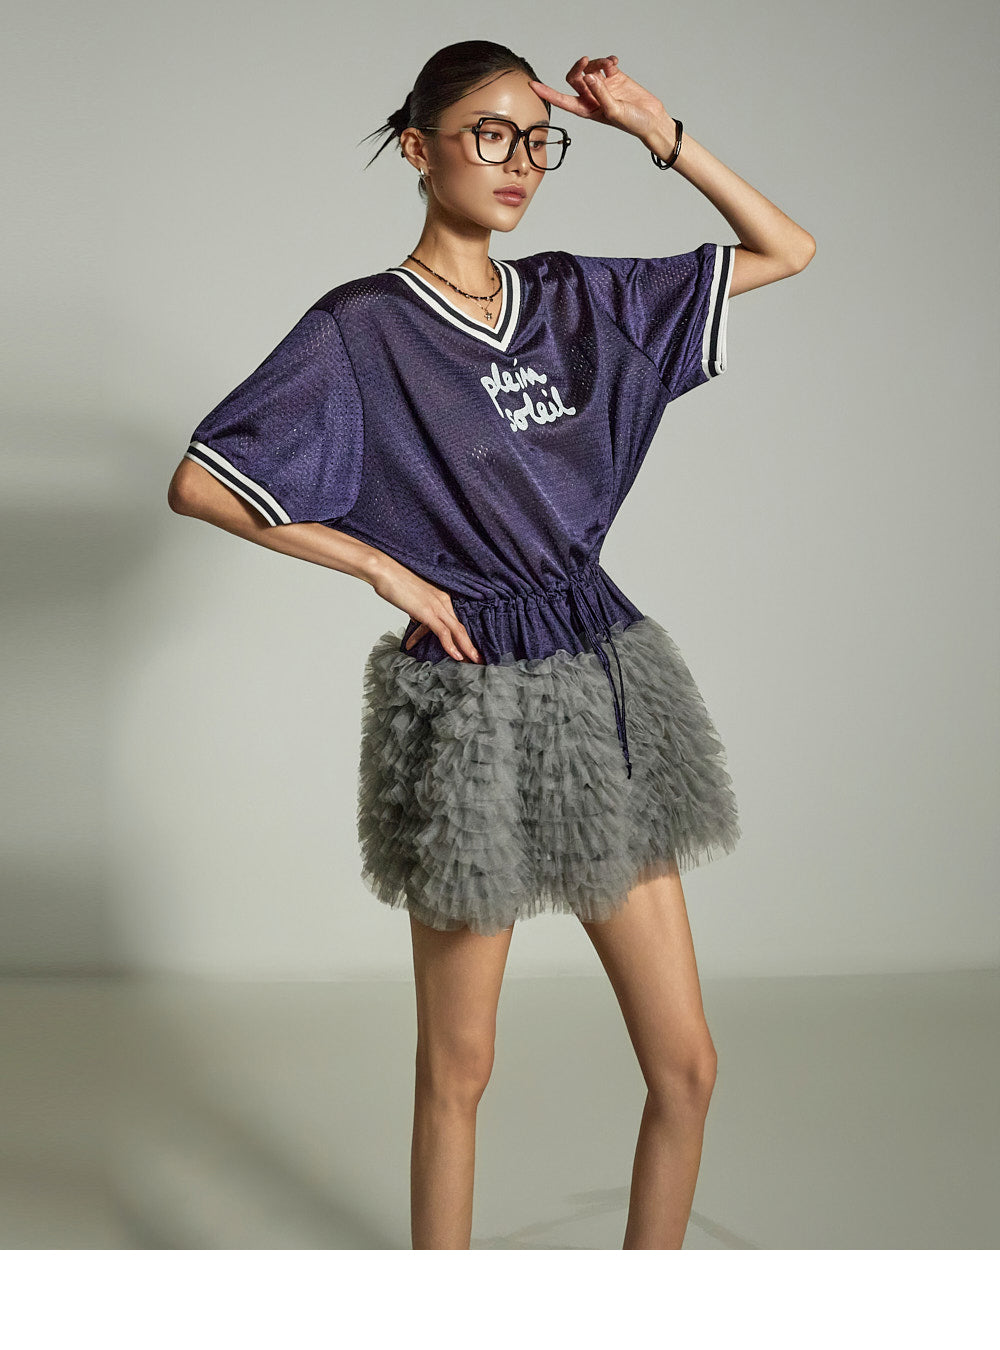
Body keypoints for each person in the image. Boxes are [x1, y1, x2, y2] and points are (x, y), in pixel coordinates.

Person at [167, 40, 815, 1250]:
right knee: (457, 1072)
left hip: (601, 669)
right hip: (465, 693)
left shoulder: (575, 298)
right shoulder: (362, 328)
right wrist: (382, 567)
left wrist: (656, 132)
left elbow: (787, 249)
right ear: (420, 149)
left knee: (686, 1068)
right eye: (489, 134)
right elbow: (203, 482)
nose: (519, 161)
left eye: (537, 138)